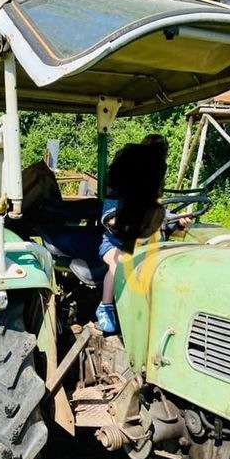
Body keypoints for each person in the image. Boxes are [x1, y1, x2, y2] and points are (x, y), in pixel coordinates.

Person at [95, 134, 169, 334]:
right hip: (114, 245)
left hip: (147, 246)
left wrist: (178, 220)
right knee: (118, 261)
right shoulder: (118, 194)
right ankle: (106, 306)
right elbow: (108, 217)